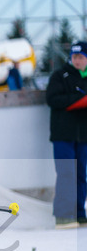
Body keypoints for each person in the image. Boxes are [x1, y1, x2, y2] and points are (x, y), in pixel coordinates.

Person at [45, 40, 87, 229]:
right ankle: (63, 215)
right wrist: (80, 100)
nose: (77, 60)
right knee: (66, 173)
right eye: (74, 57)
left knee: (81, 174)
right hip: (64, 134)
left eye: (81, 57)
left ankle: (79, 213)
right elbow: (52, 99)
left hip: (83, 135)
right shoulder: (60, 75)